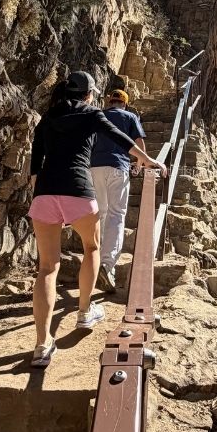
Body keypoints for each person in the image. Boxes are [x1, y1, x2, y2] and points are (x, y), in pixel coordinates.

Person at [27, 71, 167, 368]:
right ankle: (84, 312)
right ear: (90, 94)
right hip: (79, 190)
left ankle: (41, 345)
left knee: (47, 267)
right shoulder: (91, 115)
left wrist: (37, 189)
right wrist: (147, 160)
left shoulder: (48, 118)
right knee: (91, 248)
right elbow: (120, 138)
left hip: (45, 193)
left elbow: (36, 158)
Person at [90, 89, 146, 293]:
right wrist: (140, 164)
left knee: (100, 213)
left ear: (108, 101)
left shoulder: (98, 115)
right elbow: (139, 144)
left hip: (94, 167)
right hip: (118, 167)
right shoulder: (130, 117)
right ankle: (107, 265)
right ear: (125, 103)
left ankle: (94, 262)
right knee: (116, 215)